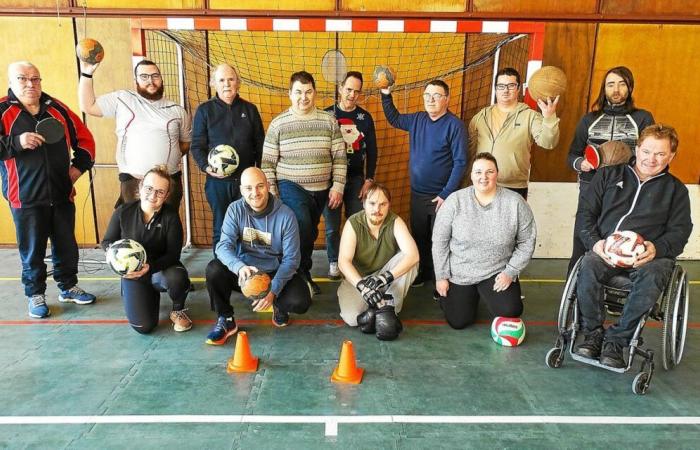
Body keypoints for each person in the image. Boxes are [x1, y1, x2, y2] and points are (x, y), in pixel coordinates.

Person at [573, 124, 692, 368]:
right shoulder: (608, 176)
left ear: (671, 156)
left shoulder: (675, 190)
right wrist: (595, 244)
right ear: (637, 149)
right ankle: (593, 334)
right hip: (606, 252)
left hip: (649, 258)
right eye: (647, 151)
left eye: (660, 154)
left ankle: (617, 341)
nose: (651, 159)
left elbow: (680, 232)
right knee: (588, 264)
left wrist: (655, 248)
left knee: (656, 272)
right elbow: (585, 214)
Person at [0, 61, 96, 318]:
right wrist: (15, 142)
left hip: (62, 194)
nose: (30, 84)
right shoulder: (2, 110)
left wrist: (77, 170)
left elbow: (85, 140)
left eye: (35, 78)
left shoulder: (58, 109)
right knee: (32, 250)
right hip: (25, 198)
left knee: (66, 246)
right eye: (22, 79)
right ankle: (35, 294)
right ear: (11, 82)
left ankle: (68, 287)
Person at [205, 167, 312, 345]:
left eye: (260, 186)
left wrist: (274, 290)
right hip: (245, 272)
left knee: (300, 302)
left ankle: (279, 307)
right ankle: (226, 319)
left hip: (273, 273)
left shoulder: (286, 215)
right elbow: (223, 247)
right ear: (241, 190)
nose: (254, 193)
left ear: (268, 186)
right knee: (213, 270)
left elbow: (292, 259)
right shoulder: (235, 210)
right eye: (248, 188)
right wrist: (239, 267)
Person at [262, 71, 346, 295]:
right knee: (301, 229)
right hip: (291, 186)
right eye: (298, 92)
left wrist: (337, 186)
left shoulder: (329, 121)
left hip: (322, 190)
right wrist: (273, 192)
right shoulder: (279, 124)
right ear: (290, 94)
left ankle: (301, 272)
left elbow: (339, 157)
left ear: (315, 93)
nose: (304, 97)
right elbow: (267, 162)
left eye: (308, 92)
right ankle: (298, 275)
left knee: (309, 234)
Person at [432, 153, 536, 329]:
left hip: (496, 272)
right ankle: (455, 298)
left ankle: (485, 294)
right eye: (478, 172)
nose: (483, 177)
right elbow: (440, 241)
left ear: (497, 174)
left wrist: (510, 273)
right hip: (461, 272)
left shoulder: (515, 203)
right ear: (471, 175)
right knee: (459, 321)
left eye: (489, 172)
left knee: (511, 311)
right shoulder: (455, 201)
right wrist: (441, 276)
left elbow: (527, 241)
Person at [567, 66, 655, 273]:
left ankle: (618, 288)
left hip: (627, 190)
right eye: (611, 84)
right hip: (591, 189)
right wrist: (582, 163)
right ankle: (574, 295)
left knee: (623, 242)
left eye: (622, 84)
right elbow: (572, 155)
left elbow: (649, 154)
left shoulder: (643, 118)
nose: (616, 89)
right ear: (603, 89)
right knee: (583, 241)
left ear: (630, 87)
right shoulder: (589, 119)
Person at [381, 79, 467, 288]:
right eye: (427, 95)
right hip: (418, 194)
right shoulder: (418, 119)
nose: (430, 99)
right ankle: (423, 273)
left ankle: (442, 279)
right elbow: (394, 118)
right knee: (419, 236)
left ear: (447, 99)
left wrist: (446, 194)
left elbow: (461, 162)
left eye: (436, 95)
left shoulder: (455, 126)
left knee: (441, 240)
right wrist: (385, 94)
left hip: (442, 197)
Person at [78, 59, 192, 208]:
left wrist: (169, 159)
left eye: (155, 76)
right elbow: (88, 106)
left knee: (166, 229)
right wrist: (87, 73)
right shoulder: (123, 99)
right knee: (132, 230)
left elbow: (185, 143)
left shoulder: (177, 110)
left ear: (161, 79)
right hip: (132, 181)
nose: (151, 81)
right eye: (144, 77)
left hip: (169, 182)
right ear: (135, 80)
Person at [101, 166, 192, 334]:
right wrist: (115, 260)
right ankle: (143, 295)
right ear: (141, 186)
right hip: (133, 273)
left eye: (160, 192)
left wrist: (151, 268)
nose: (153, 195)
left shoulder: (170, 216)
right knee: (144, 327)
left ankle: (178, 309)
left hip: (159, 269)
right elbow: (107, 241)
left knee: (177, 277)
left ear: (166, 196)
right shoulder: (123, 212)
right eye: (149, 188)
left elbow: (173, 254)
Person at [191, 64, 265, 249]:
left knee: (250, 227)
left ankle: (248, 269)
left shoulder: (250, 110)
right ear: (214, 83)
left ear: (238, 82)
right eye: (222, 80)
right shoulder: (204, 111)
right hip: (218, 184)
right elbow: (197, 146)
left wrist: (259, 175)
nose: (227, 84)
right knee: (222, 226)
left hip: (246, 184)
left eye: (231, 79)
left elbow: (261, 145)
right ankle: (223, 270)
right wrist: (207, 168)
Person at [336, 182, 419, 340]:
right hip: (359, 279)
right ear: (364, 203)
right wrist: (362, 287)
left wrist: (384, 278)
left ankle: (386, 304)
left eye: (383, 204)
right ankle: (379, 306)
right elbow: (343, 262)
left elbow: (413, 255)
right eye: (372, 203)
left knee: (411, 260)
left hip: (385, 276)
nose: (377, 209)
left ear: (389, 205)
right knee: (353, 319)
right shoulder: (353, 223)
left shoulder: (395, 221)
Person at [468, 67, 560, 199]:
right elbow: (471, 149)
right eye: (501, 86)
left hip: (514, 187)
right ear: (495, 89)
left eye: (511, 85)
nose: (505, 90)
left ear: (518, 89)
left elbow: (548, 143)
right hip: (482, 184)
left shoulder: (530, 116)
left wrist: (549, 117)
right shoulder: (481, 117)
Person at [323, 71, 378, 280]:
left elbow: (372, 151)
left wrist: (368, 180)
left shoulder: (365, 118)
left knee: (356, 223)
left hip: (356, 179)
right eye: (348, 89)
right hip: (331, 181)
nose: (352, 94)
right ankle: (334, 261)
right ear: (340, 88)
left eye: (357, 91)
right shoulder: (326, 115)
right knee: (331, 226)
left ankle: (354, 262)